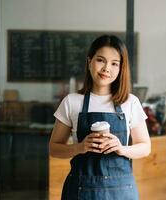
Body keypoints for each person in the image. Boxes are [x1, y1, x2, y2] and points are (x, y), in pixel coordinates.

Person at [49, 35, 151, 200]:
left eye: (114, 63)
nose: (106, 68)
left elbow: (145, 147)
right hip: (81, 190)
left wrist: (121, 149)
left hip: (121, 190)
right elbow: (54, 148)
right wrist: (79, 148)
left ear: (121, 68)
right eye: (101, 60)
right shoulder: (72, 101)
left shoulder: (131, 102)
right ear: (89, 61)